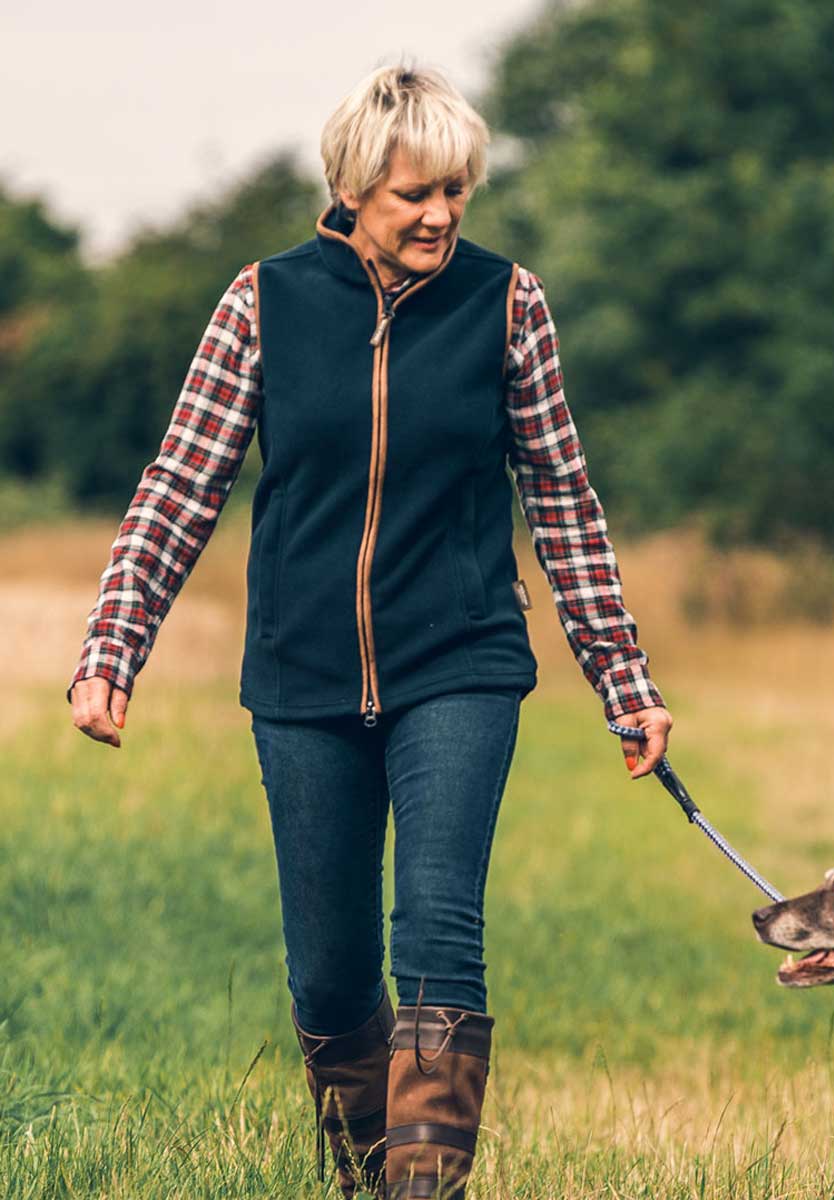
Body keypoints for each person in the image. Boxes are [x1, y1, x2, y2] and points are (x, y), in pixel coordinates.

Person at [68, 65, 672, 1200]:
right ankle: (363, 1178)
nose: (441, 215)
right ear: (351, 191)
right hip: (300, 674)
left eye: (457, 190)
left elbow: (562, 499)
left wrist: (622, 679)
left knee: (438, 928)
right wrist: (114, 647)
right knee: (332, 976)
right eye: (414, 194)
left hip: (460, 661)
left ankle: (422, 1189)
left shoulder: (508, 303)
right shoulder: (264, 302)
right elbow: (181, 485)